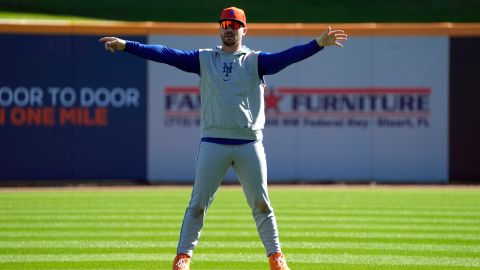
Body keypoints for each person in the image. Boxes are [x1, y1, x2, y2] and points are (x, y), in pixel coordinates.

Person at [100, 6, 347, 270]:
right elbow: (165, 54)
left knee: (262, 204)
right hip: (213, 142)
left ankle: (276, 257)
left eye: (234, 25)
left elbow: (287, 57)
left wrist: (318, 44)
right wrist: (127, 45)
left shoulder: (255, 60)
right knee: (197, 205)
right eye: (224, 24)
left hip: (248, 143)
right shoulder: (205, 58)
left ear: (244, 29)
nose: (229, 29)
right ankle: (183, 257)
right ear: (219, 28)